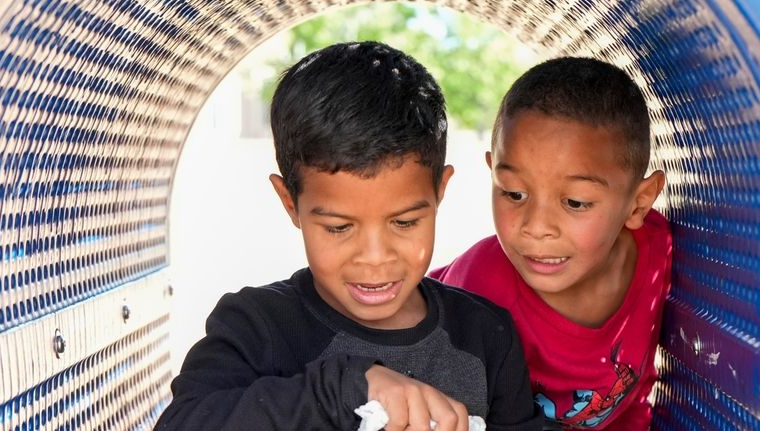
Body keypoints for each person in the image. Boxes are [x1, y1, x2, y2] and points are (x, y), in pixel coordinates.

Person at [155, 41, 543, 431]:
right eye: (339, 227)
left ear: (439, 192)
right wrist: (347, 389)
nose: (374, 257)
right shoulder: (258, 327)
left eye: (404, 222)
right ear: (291, 203)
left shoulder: (485, 334)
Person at [430, 57, 670, 430]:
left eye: (575, 202)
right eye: (513, 193)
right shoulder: (478, 289)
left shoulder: (659, 251)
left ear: (637, 203)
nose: (536, 227)